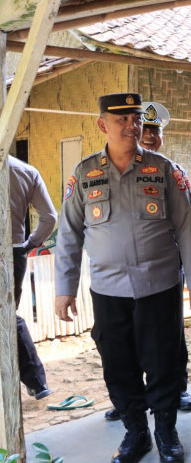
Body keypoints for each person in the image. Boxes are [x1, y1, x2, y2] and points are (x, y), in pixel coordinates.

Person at [54, 93, 191, 463]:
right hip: (108, 290)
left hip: (159, 285)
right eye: (122, 118)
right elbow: (68, 234)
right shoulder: (84, 174)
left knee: (163, 361)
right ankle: (135, 433)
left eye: (136, 118)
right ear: (102, 124)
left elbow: (188, 228)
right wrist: (64, 289)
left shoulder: (165, 170)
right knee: (118, 364)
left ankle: (166, 432)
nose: (131, 126)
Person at [103, 101, 191, 422]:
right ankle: (130, 399)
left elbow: (187, 224)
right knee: (122, 339)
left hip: (166, 266)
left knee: (168, 334)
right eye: (149, 131)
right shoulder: (108, 169)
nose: (152, 138)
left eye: (156, 132)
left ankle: (177, 388)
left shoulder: (169, 170)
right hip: (122, 273)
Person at [8, 155, 57, 400]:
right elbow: (49, 218)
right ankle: (37, 382)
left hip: (13, 249)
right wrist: (30, 244)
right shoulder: (25, 171)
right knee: (6, 315)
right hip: (13, 250)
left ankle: (36, 381)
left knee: (6, 318)